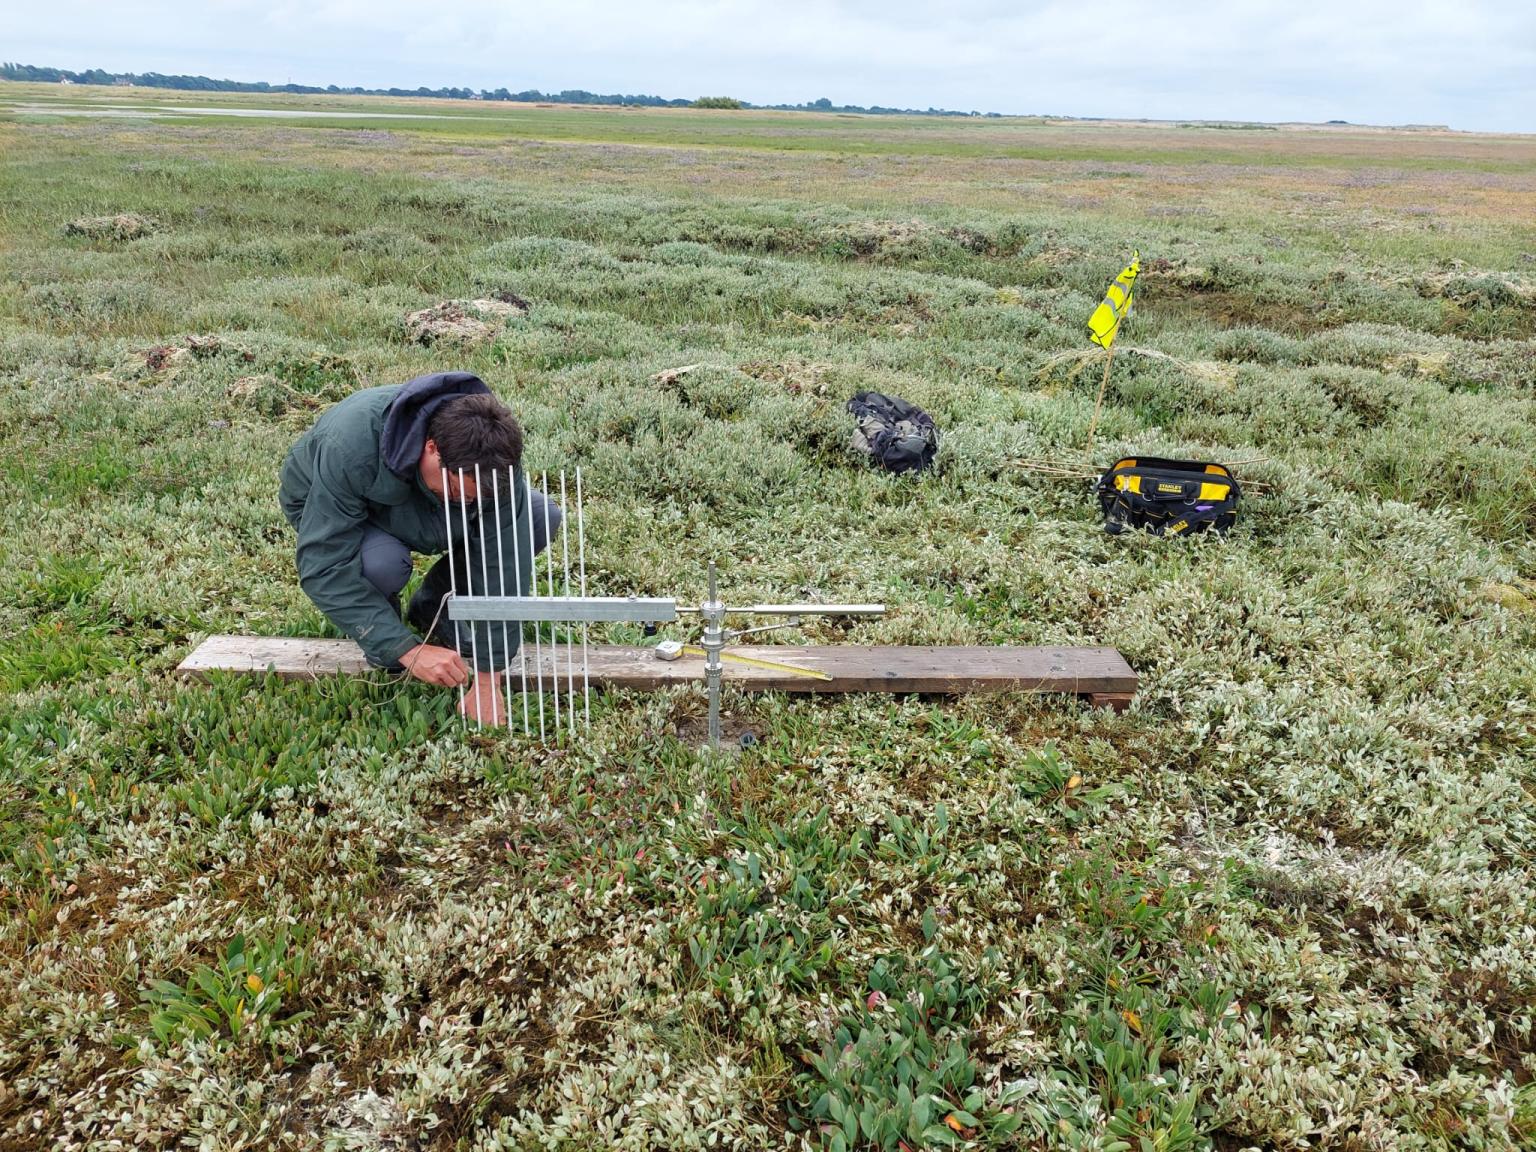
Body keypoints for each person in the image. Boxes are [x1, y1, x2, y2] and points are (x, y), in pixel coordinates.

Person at [278, 371, 558, 724]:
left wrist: (489, 678)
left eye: (473, 499)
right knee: (382, 562)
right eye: (459, 493)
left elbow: (504, 561)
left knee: (536, 516)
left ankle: (435, 608)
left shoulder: (493, 460)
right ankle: (384, 631)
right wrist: (407, 649)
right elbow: (323, 566)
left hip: (422, 498)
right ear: (432, 448)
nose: (466, 502)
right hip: (340, 504)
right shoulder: (349, 446)